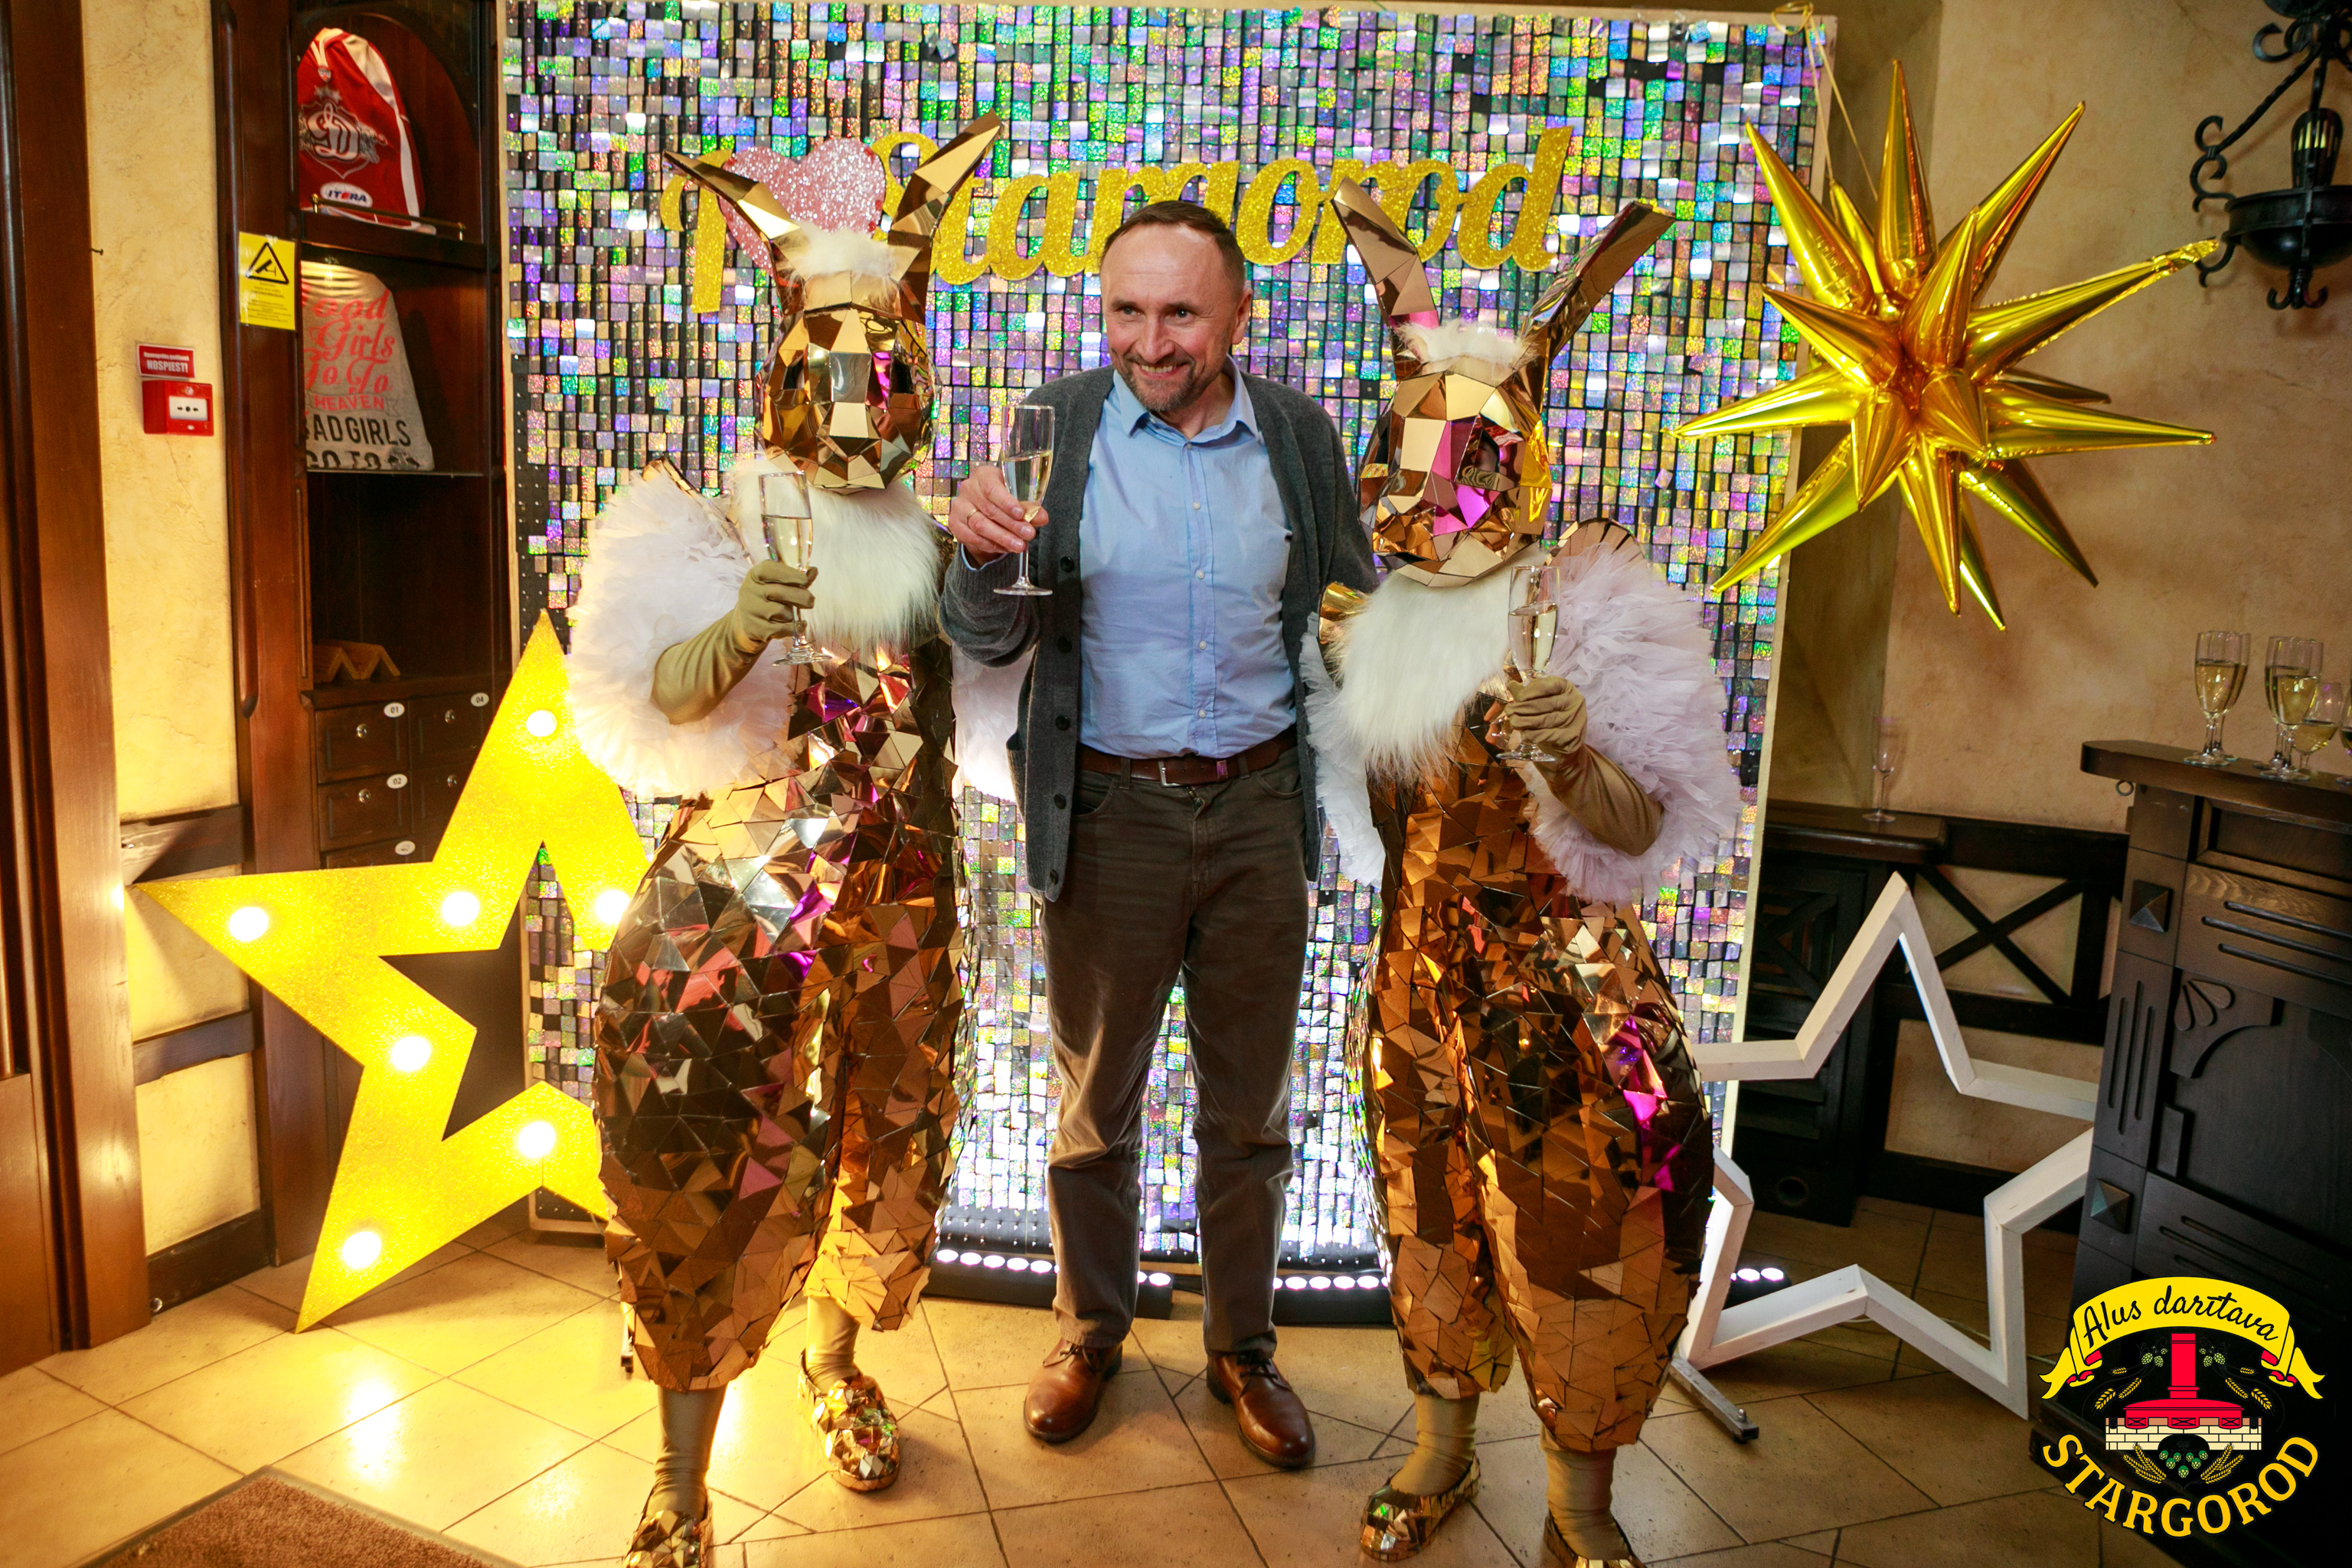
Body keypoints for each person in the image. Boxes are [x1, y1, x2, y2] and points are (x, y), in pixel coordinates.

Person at [567, 121, 999, 1568]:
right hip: (751, 883)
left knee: (883, 1138)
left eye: (884, 363)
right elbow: (664, 693)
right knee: (706, 1142)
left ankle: (836, 1364)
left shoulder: (935, 538)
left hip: (906, 893)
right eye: (831, 364)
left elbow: (986, 700)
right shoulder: (724, 512)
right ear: (788, 366)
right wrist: (739, 627)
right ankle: (679, 1475)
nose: (857, 395)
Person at [1312, 184, 1741, 1566]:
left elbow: (1639, 830)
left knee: (1584, 1234)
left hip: (1565, 996)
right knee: (1427, 1221)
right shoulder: (1366, 628)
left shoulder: (1590, 608)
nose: (1437, 495)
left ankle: (1580, 1510)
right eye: (1415, 458)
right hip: (1413, 991)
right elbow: (1366, 810)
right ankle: (1439, 1452)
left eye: (1469, 461)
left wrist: (1567, 753)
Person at [941, 200, 1378, 1466]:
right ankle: (1089, 1333)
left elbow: (1354, 602)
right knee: (1094, 1103)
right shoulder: (1056, 424)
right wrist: (975, 554)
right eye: (1127, 310)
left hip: (1258, 811)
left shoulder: (1297, 435)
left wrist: (1466, 612)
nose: (1150, 340)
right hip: (1108, 810)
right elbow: (984, 633)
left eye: (1181, 312)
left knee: (1250, 1111)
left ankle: (1244, 1349)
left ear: (1239, 314)